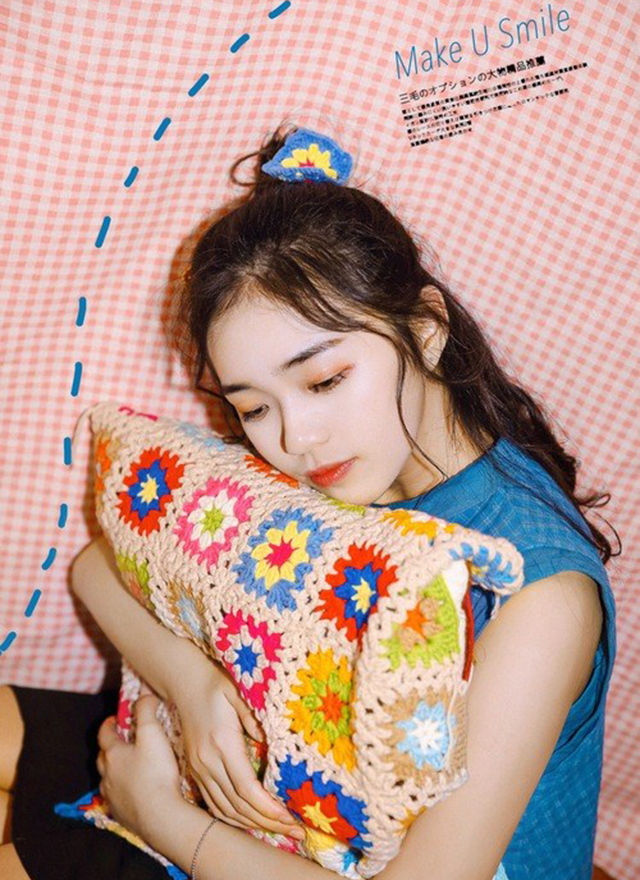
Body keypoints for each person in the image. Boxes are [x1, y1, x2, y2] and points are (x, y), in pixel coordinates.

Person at [0, 124, 618, 880]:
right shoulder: (336, 472)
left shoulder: (542, 592)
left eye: (325, 380)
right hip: (260, 769)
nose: (296, 436)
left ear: (426, 330)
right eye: (253, 407)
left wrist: (160, 816)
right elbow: (99, 567)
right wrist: (193, 685)